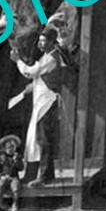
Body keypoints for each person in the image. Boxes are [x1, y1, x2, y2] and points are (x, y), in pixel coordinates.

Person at [12, 24, 65, 187]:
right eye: (40, 41)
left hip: (47, 102)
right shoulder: (47, 56)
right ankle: (37, 174)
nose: (40, 44)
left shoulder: (51, 57)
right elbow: (39, 77)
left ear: (52, 42)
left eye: (44, 41)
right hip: (41, 101)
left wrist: (18, 61)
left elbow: (31, 72)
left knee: (43, 139)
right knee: (36, 139)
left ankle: (43, 176)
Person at [0, 133, 24, 211]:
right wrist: (0, 176)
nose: (10, 150)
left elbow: (21, 168)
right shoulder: (1, 158)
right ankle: (1, 203)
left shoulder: (17, 157)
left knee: (16, 188)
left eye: (12, 148)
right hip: (3, 177)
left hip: (13, 177)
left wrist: (16, 160)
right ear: (4, 149)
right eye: (8, 148)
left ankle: (15, 203)